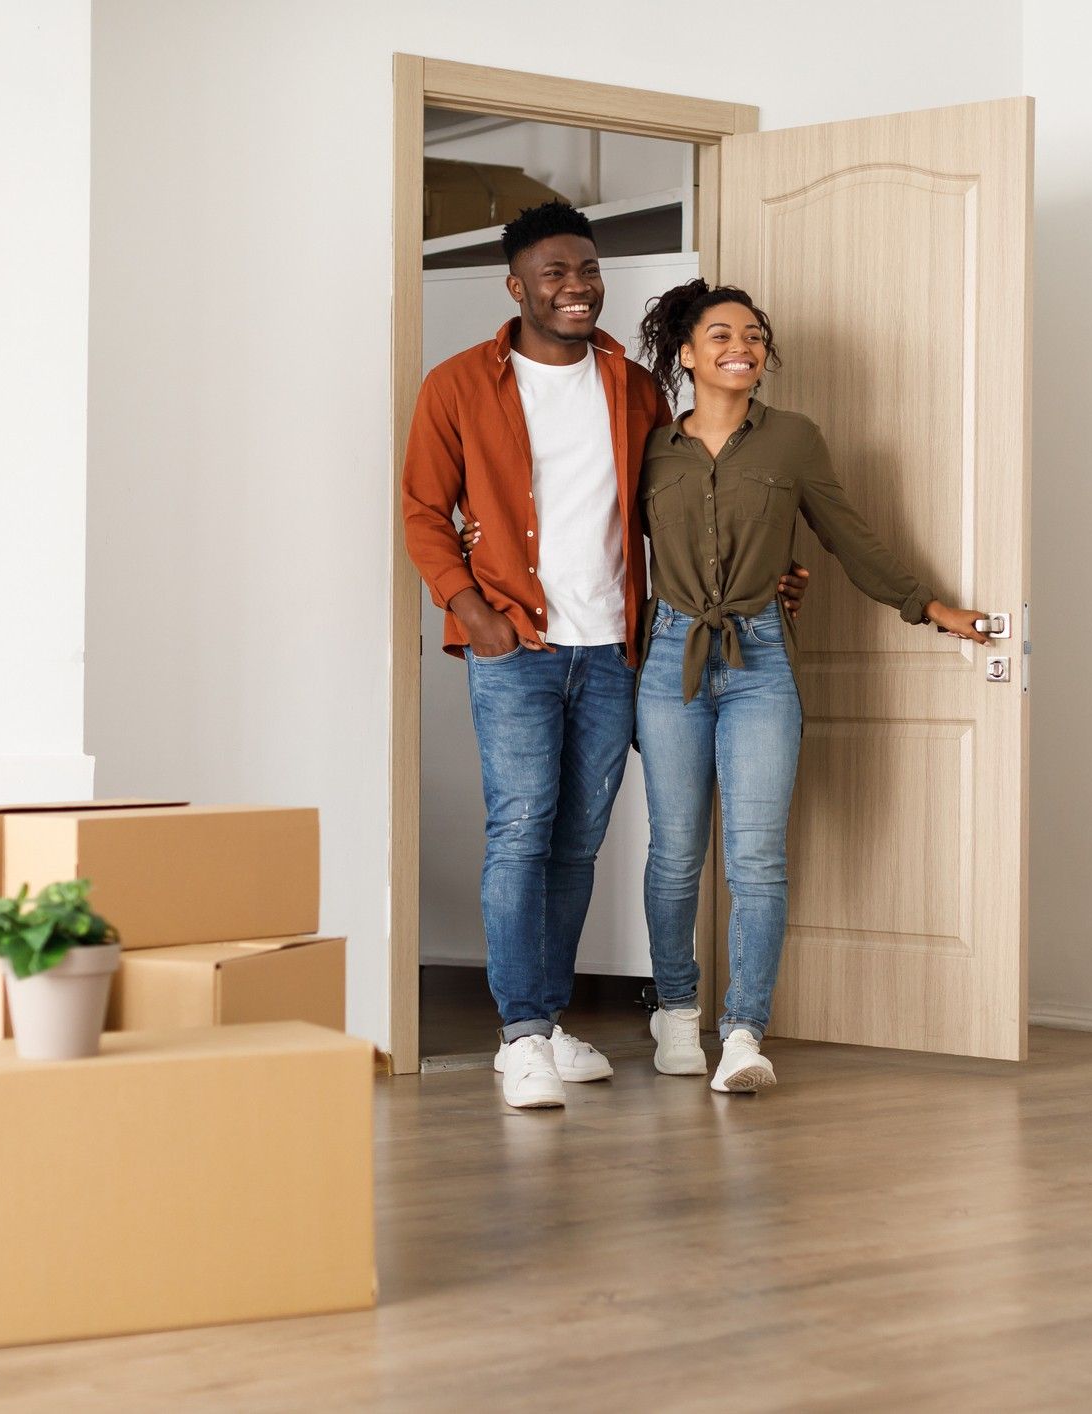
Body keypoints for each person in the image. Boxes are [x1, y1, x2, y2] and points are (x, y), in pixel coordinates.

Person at [401, 205, 806, 1111]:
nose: (576, 287)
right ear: (516, 287)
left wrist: (759, 575)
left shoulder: (632, 386)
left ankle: (545, 1020)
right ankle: (519, 1038)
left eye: (586, 270)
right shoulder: (459, 384)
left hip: (619, 647)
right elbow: (425, 512)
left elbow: (684, 503)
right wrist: (472, 608)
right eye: (553, 273)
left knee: (577, 842)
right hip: (515, 647)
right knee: (519, 829)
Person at [630, 279, 989, 1094]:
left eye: (753, 336)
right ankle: (676, 1014)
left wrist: (925, 605)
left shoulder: (791, 440)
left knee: (756, 858)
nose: (741, 348)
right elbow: (612, 551)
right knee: (676, 854)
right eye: (720, 335)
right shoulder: (648, 446)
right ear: (685, 354)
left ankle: (744, 1034)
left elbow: (845, 533)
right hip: (668, 657)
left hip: (760, 658)